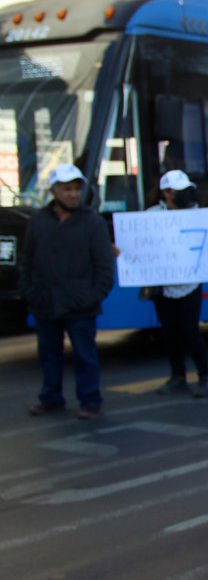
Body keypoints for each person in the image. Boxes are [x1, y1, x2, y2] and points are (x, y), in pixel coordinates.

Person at [19, 163, 115, 419]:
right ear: (54, 191)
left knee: (85, 356)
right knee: (49, 355)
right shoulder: (38, 221)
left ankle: (90, 400)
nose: (73, 194)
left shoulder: (93, 222)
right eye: (67, 189)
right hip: (46, 303)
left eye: (76, 189)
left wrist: (91, 296)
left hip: (81, 306)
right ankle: (51, 398)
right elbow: (27, 261)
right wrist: (30, 292)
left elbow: (105, 267)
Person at [145, 170, 208, 398]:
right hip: (163, 284)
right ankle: (178, 376)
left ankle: (204, 376)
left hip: (189, 283)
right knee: (169, 332)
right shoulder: (152, 215)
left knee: (189, 330)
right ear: (167, 193)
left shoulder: (195, 215)